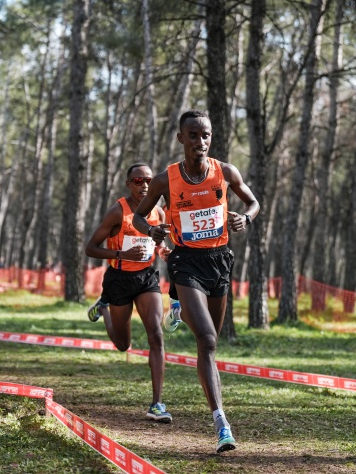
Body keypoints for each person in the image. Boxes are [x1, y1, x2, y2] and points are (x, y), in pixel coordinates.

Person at [133, 109, 260, 453]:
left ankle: (180, 311)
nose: (199, 142)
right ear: (181, 139)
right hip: (185, 260)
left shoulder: (225, 172)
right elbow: (138, 215)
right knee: (206, 339)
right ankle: (222, 424)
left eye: (205, 135)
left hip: (219, 261)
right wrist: (151, 230)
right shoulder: (165, 180)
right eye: (193, 135)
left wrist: (245, 218)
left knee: (210, 342)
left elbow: (253, 201)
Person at [85, 163, 173, 423]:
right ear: (128, 184)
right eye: (138, 180)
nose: (144, 185)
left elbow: (156, 241)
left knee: (156, 335)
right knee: (123, 345)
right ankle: (103, 308)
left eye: (148, 180)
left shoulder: (157, 212)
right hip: (119, 279)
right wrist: (121, 254)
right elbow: (91, 247)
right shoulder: (117, 212)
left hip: (146, 278)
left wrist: (162, 251)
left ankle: (157, 403)